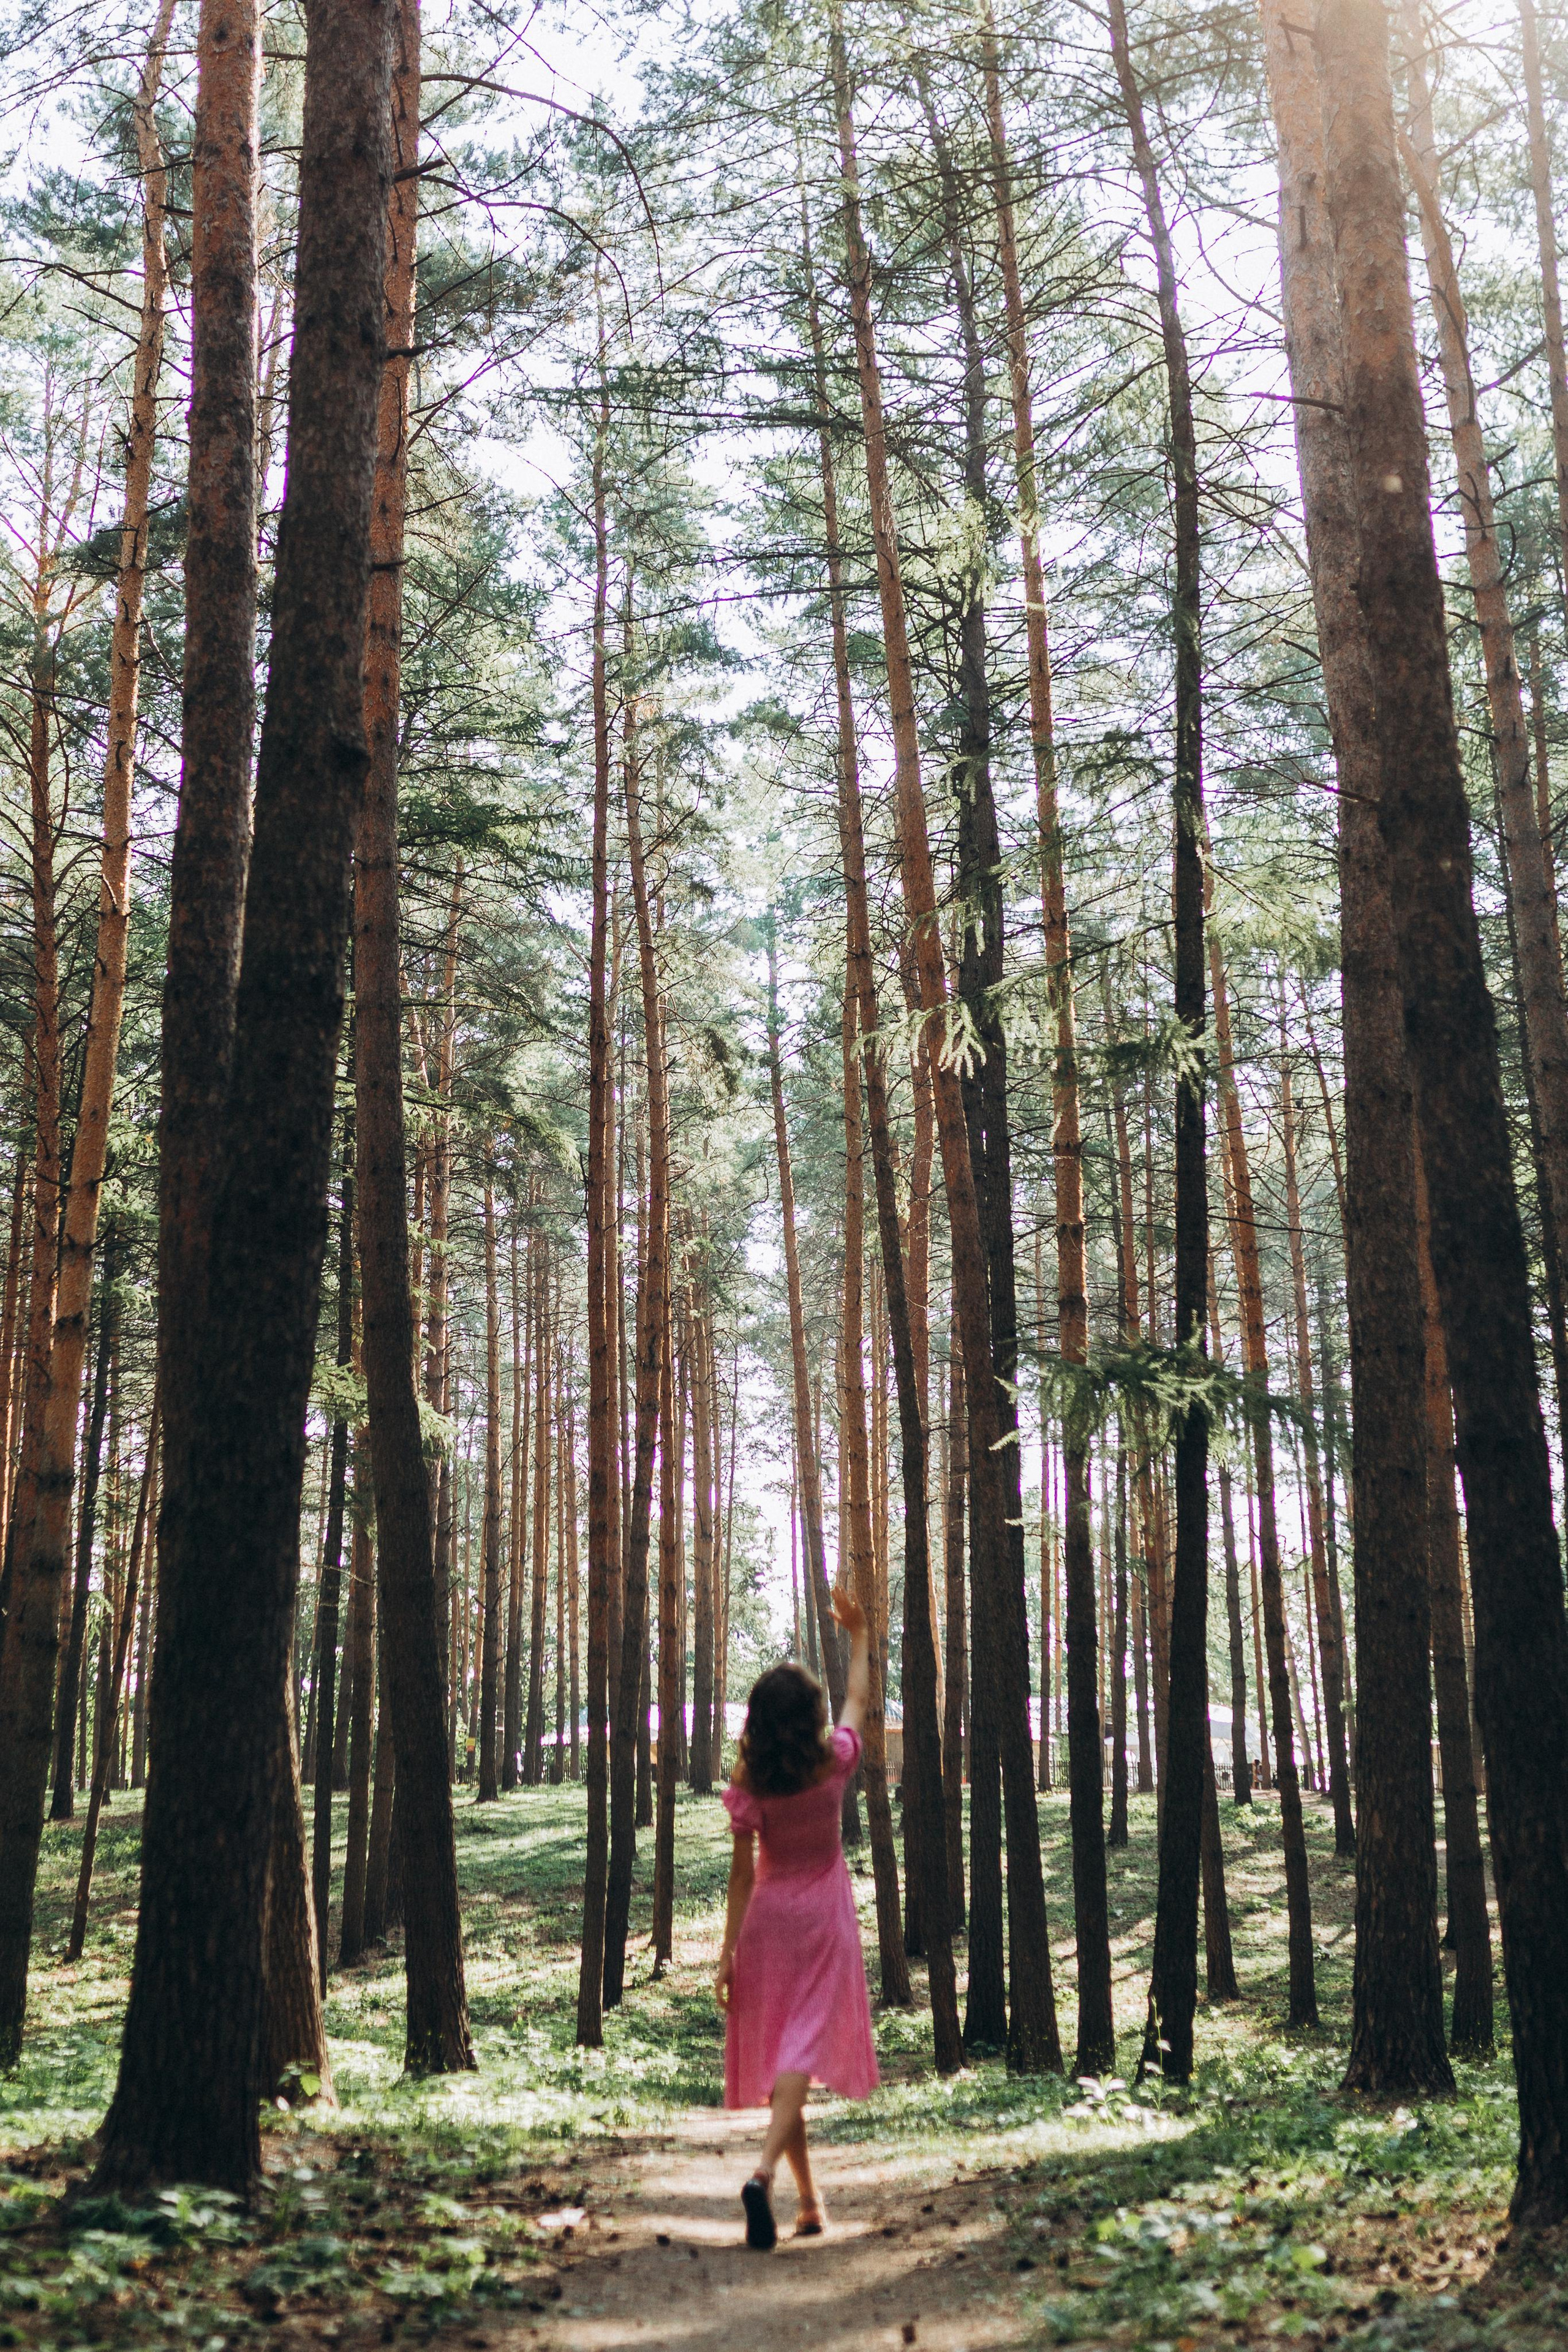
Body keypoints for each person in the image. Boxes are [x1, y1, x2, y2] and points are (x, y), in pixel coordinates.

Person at [714, 1581, 878, 2250]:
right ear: (809, 1716)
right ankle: (761, 2176)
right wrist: (860, 1635)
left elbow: (742, 1876)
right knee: (798, 2060)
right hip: (823, 1922)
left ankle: (809, 2204)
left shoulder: (750, 1785)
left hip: (769, 1925)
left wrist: (728, 1952)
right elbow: (860, 1699)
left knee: (791, 2059)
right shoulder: (834, 1761)